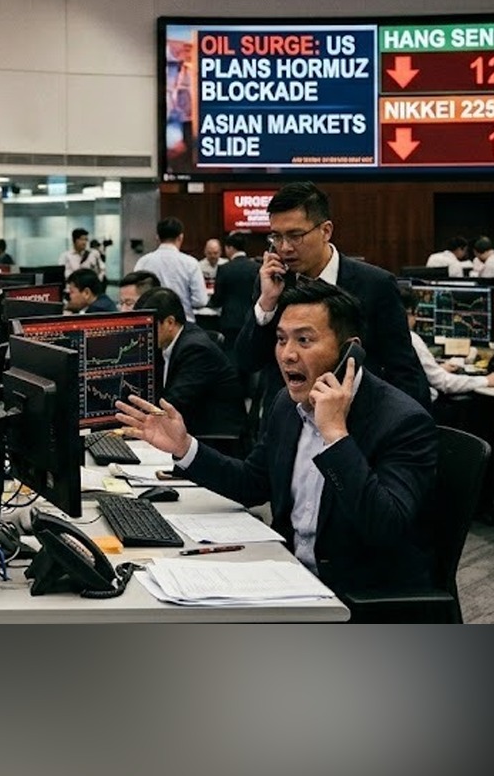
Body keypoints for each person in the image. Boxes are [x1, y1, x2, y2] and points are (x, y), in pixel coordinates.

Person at [118, 278, 437, 597]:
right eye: (282, 339)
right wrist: (185, 447)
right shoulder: (287, 404)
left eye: (304, 340)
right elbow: (252, 483)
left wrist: (336, 436)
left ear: (349, 350)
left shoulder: (402, 421)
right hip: (289, 573)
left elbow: (384, 526)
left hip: (357, 594)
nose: (287, 355)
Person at [236, 182, 430, 409]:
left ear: (326, 231)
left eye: (295, 235)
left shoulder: (375, 284)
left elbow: (403, 369)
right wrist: (267, 303)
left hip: (355, 417)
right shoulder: (273, 282)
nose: (285, 247)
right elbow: (247, 361)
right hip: (288, 418)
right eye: (276, 237)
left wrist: (403, 424)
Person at [135, 286, 245, 439]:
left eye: (147, 327)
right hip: (189, 428)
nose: (142, 334)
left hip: (215, 437)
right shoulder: (168, 343)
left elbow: (174, 403)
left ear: (170, 322)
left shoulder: (195, 349)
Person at [398, 286, 494, 404]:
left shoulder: (387, 335)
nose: (416, 318)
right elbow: (444, 382)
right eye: (414, 313)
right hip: (423, 407)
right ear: (406, 313)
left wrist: (434, 370)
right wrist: (486, 380)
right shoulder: (411, 339)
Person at [133, 217, 209, 318]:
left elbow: (136, 295)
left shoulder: (143, 262)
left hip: (151, 321)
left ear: (157, 237)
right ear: (181, 237)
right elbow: (200, 300)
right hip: (183, 321)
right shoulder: (191, 263)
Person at [208, 231, 258, 348]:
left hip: (230, 321)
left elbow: (218, 299)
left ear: (229, 248)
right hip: (252, 319)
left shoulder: (224, 269)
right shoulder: (257, 268)